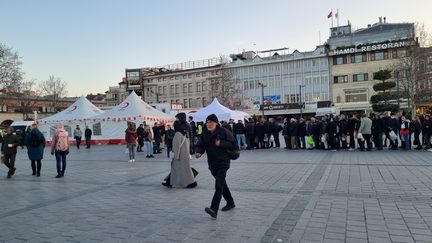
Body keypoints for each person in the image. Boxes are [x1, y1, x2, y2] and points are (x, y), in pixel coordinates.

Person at [196, 114, 236, 219]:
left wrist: (221, 143)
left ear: (216, 123)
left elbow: (233, 144)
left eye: (211, 122)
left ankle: (214, 209)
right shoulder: (205, 134)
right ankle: (230, 202)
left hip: (223, 162)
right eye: (207, 122)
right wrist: (199, 152)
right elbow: (201, 145)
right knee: (222, 184)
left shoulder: (223, 132)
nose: (209, 124)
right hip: (212, 164)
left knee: (218, 185)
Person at [162, 113, 197, 188]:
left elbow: (177, 146)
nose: (176, 121)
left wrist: (176, 156)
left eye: (177, 119)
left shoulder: (178, 134)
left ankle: (190, 183)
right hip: (185, 154)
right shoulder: (186, 131)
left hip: (180, 155)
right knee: (185, 169)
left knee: (178, 169)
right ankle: (170, 182)